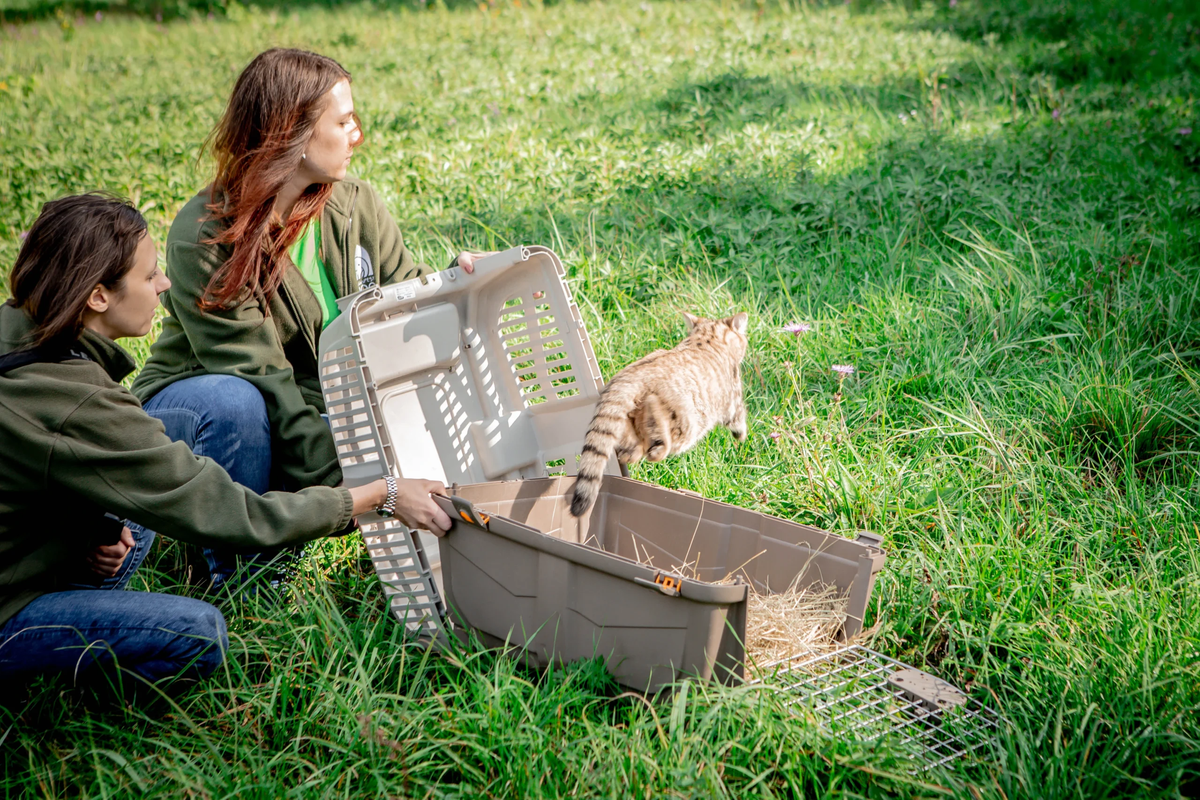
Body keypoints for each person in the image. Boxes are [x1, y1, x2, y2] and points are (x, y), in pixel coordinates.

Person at [0, 193, 453, 691]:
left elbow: (49, 457)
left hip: (22, 544)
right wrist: (377, 494)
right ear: (98, 297)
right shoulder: (74, 401)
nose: (164, 284)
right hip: (10, 609)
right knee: (197, 635)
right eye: (149, 276)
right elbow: (236, 513)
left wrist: (93, 527)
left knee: (129, 500)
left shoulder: (22, 334)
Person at [131, 48, 488, 587]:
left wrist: (458, 282)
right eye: (343, 121)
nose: (357, 134)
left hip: (306, 412)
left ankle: (277, 538)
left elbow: (403, 303)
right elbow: (262, 379)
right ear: (288, 134)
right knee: (237, 404)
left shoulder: (355, 204)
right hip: (200, 412)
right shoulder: (206, 234)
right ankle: (238, 577)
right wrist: (364, 490)